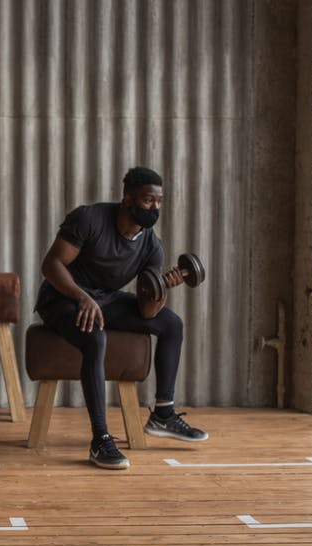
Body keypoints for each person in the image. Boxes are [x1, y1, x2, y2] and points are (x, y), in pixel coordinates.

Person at [35, 166, 207, 470]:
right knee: (95, 336)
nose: (154, 208)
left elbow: (145, 311)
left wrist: (162, 288)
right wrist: (82, 297)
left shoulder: (152, 245)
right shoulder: (90, 219)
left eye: (159, 202)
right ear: (128, 199)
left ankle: (163, 414)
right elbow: (51, 265)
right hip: (62, 298)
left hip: (104, 300)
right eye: (147, 201)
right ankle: (100, 439)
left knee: (172, 324)